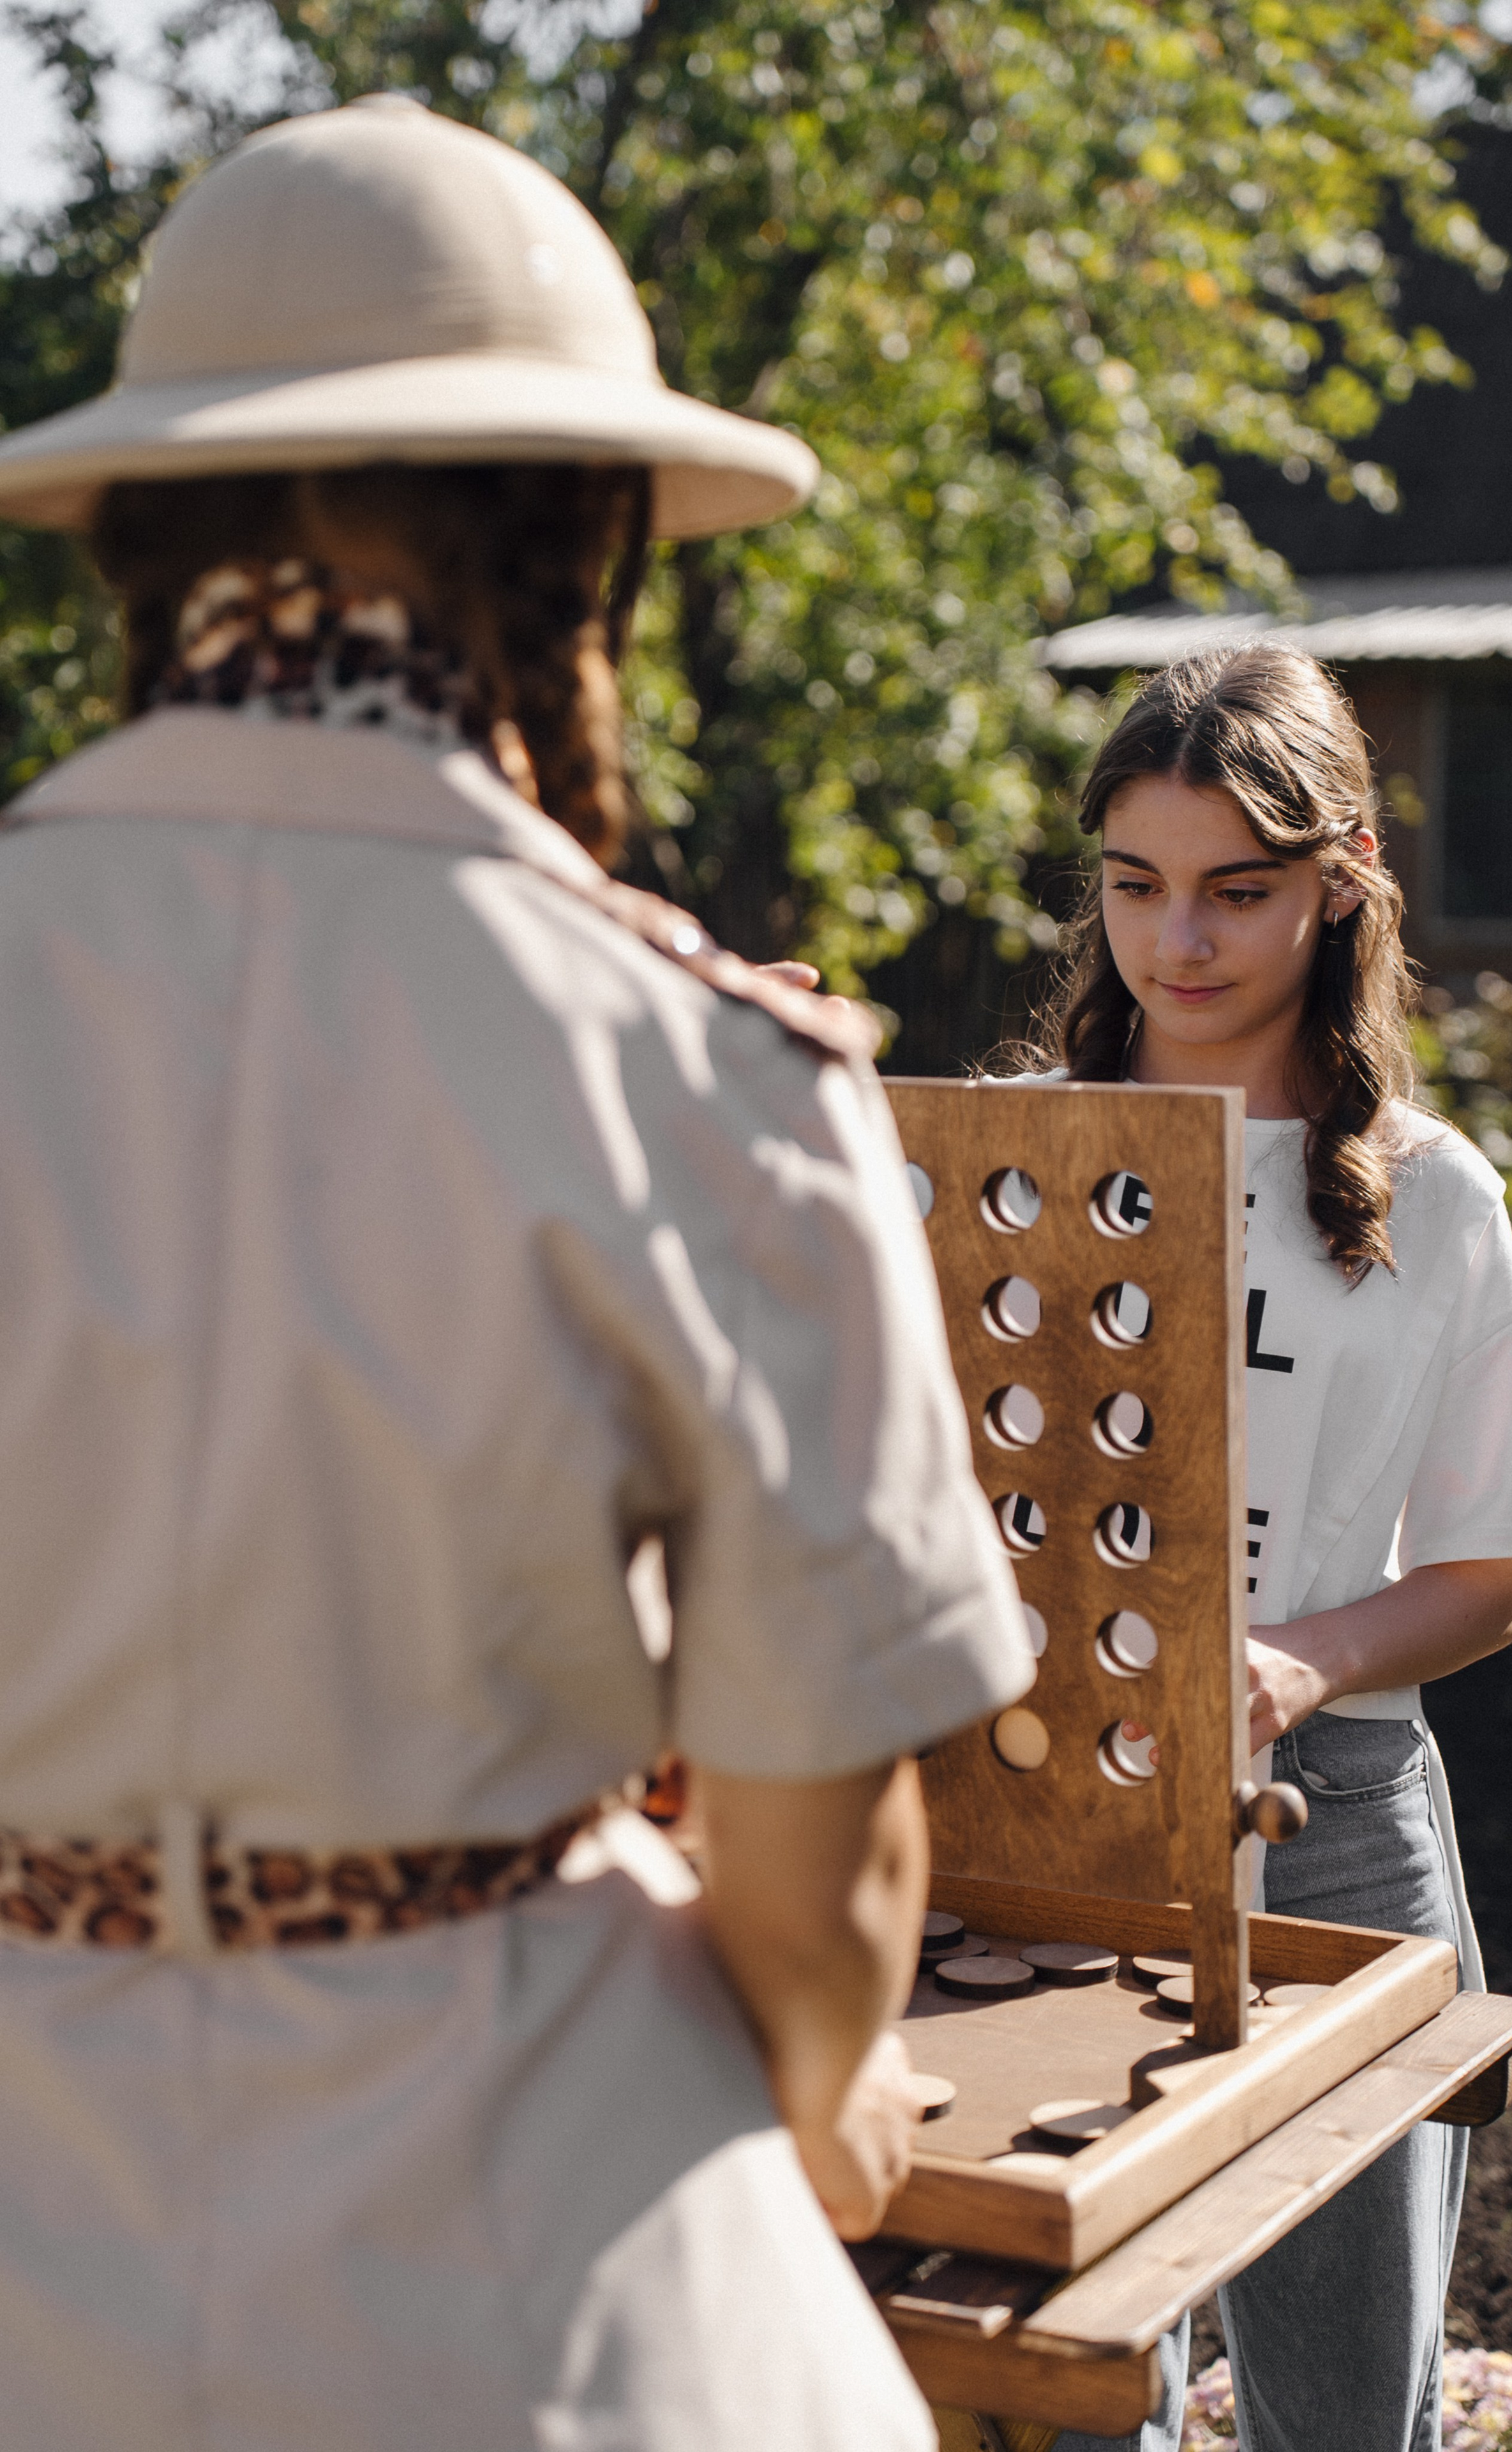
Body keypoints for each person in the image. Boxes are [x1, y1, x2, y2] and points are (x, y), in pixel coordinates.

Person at [0, 96, 1037, 2452]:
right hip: (529, 2294)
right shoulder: (713, 1072)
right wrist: (827, 2087)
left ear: (152, 543)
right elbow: (820, 1877)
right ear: (570, 557)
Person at [1030, 645, 1512, 2452]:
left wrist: (1302, 1660)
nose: (1176, 939)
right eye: (1135, 884)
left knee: (1352, 2419)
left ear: (1345, 874)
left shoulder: (1432, 1197)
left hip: (1339, 1825)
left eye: (1237, 889)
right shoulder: (1016, 1163)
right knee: (1060, 2396)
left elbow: (1492, 1568)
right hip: (1060, 1819)